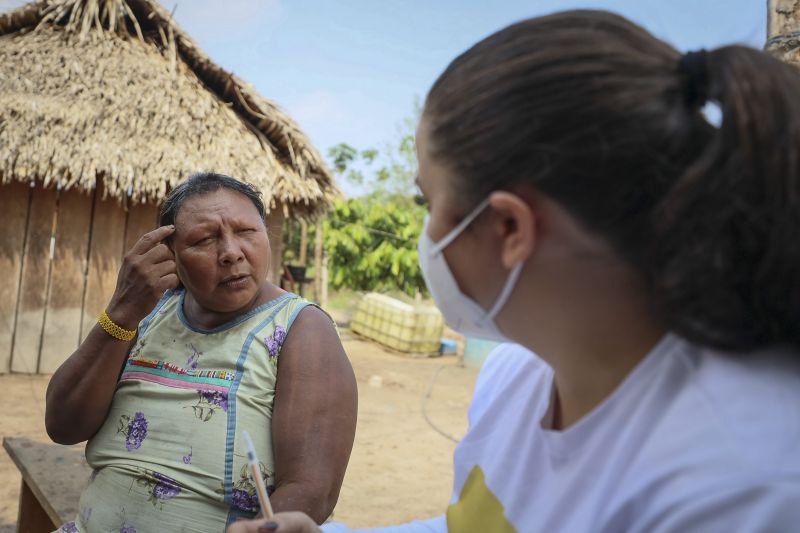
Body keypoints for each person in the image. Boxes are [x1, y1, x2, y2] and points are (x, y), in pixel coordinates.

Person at [229, 8, 800, 533]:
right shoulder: (518, 379)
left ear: (509, 228)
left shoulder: (742, 487)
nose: (426, 236)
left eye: (430, 203)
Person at [45, 172, 358, 532]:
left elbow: (311, 490)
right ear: (171, 255)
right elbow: (62, 425)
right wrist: (121, 312)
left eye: (246, 232)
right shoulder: (147, 312)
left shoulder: (301, 328)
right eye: (205, 239)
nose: (231, 252)